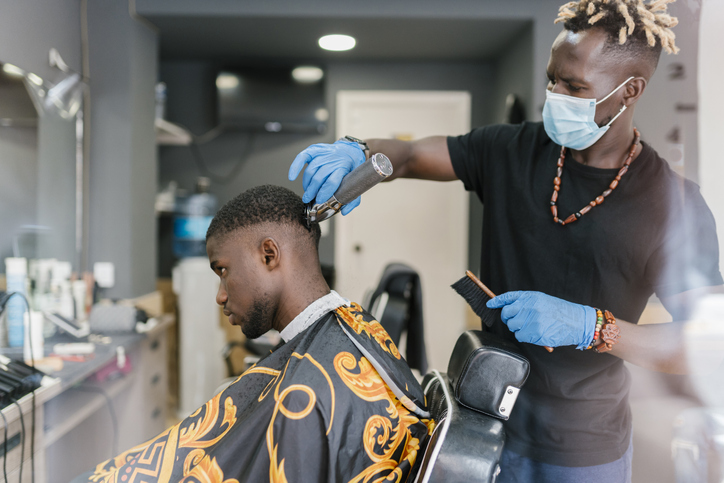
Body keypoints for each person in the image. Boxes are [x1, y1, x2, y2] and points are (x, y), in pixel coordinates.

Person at [288, 1, 724, 481]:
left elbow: (701, 344)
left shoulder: (674, 205)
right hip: (479, 423)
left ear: (630, 91)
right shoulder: (510, 150)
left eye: (574, 87)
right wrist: (362, 154)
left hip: (583, 446)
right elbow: (411, 156)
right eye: (552, 80)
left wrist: (590, 327)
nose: (554, 96)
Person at [78, 185, 431, 483]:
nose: (220, 294)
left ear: (268, 254)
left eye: (223, 270)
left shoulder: (303, 397)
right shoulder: (352, 324)